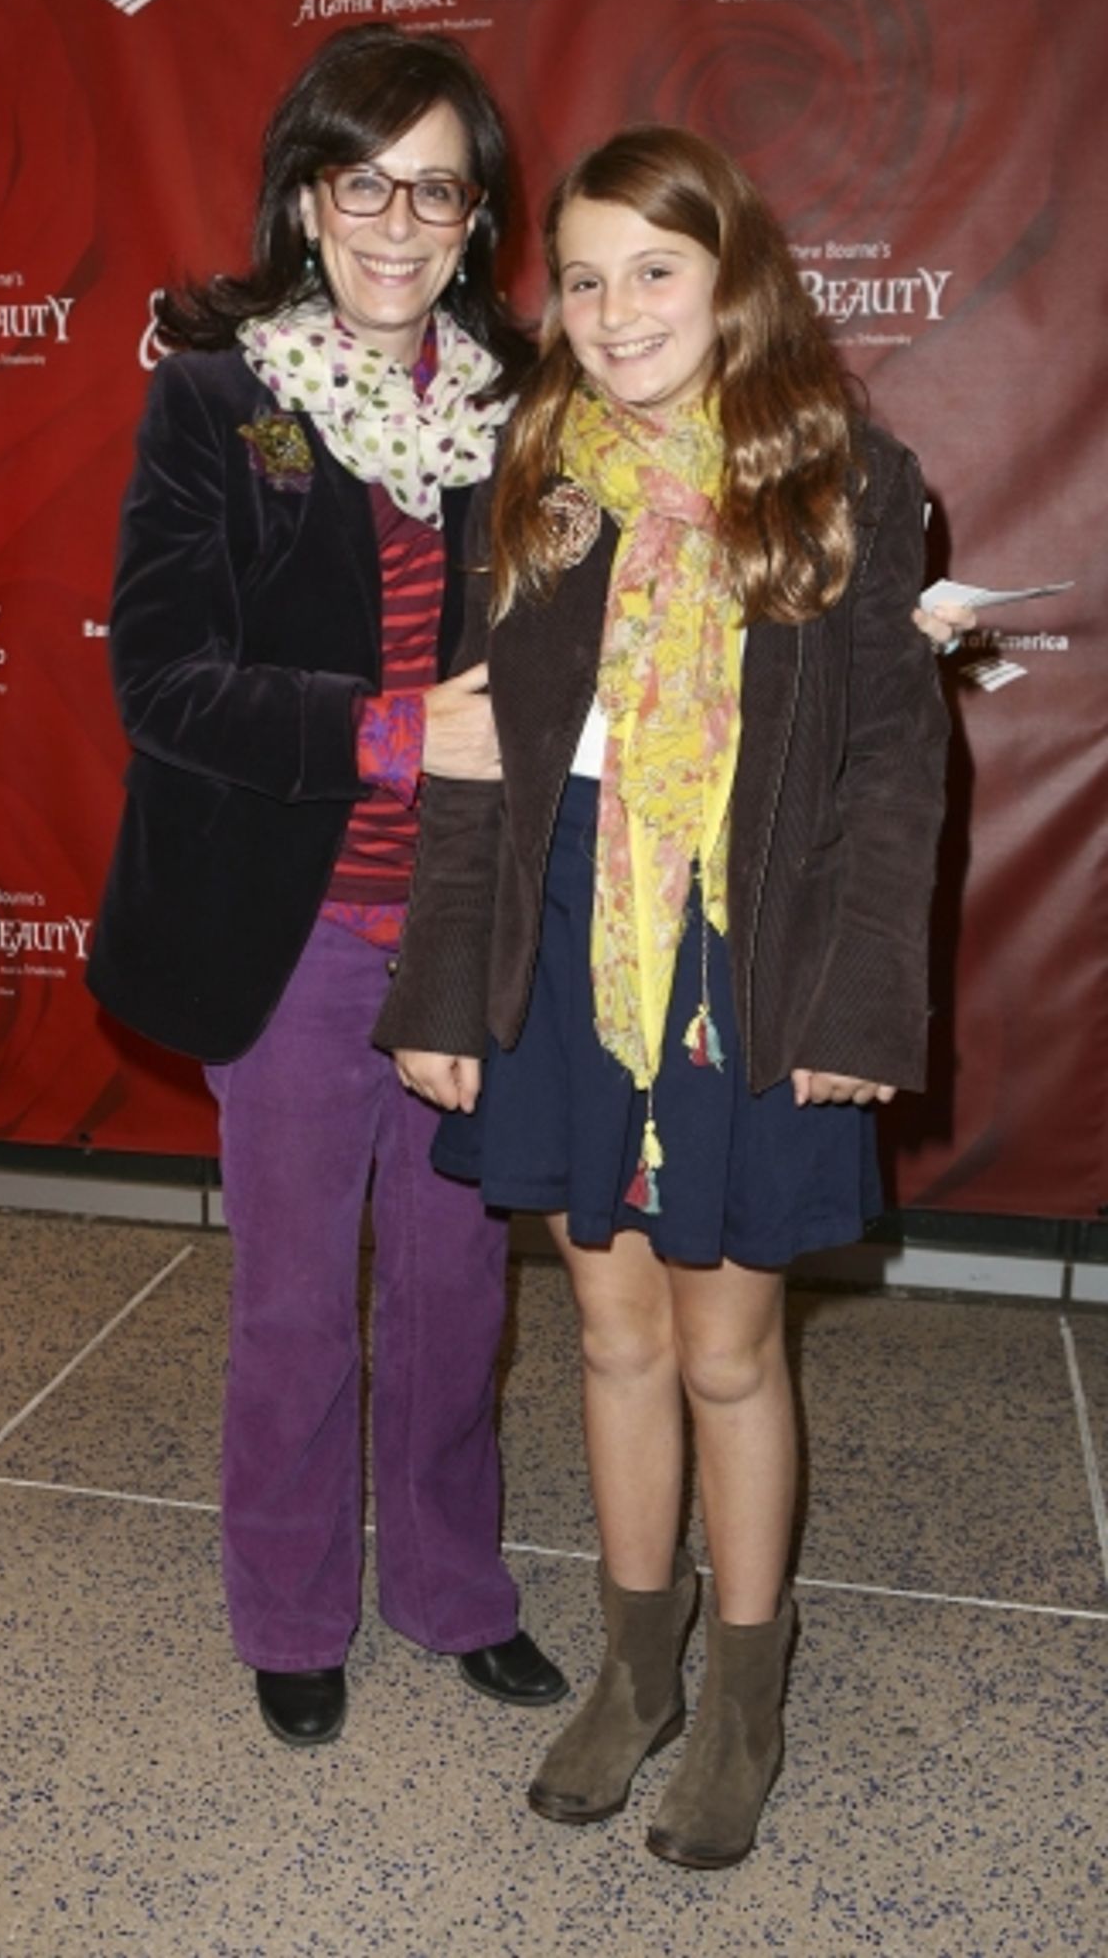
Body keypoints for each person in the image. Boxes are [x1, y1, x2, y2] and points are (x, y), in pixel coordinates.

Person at [376, 125, 950, 1867]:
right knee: (611, 1331)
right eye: (586, 277)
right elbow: (476, 758)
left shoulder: (841, 477)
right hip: (567, 936)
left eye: (656, 270)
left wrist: (860, 1004)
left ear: (731, 279)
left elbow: (892, 767)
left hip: (747, 953)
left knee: (724, 1347)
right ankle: (639, 1669)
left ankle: (748, 1695)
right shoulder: (536, 478)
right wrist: (441, 989)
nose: (618, 310)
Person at [86, 24, 568, 1749]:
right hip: (286, 934)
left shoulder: (528, 412)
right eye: (363, 184)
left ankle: (452, 1588)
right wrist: (391, 732)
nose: (397, 223)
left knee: (458, 1289)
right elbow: (162, 677)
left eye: (436, 191)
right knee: (296, 1298)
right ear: (305, 198)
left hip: (465, 927)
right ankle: (291, 1608)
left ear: (475, 218)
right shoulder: (223, 398)